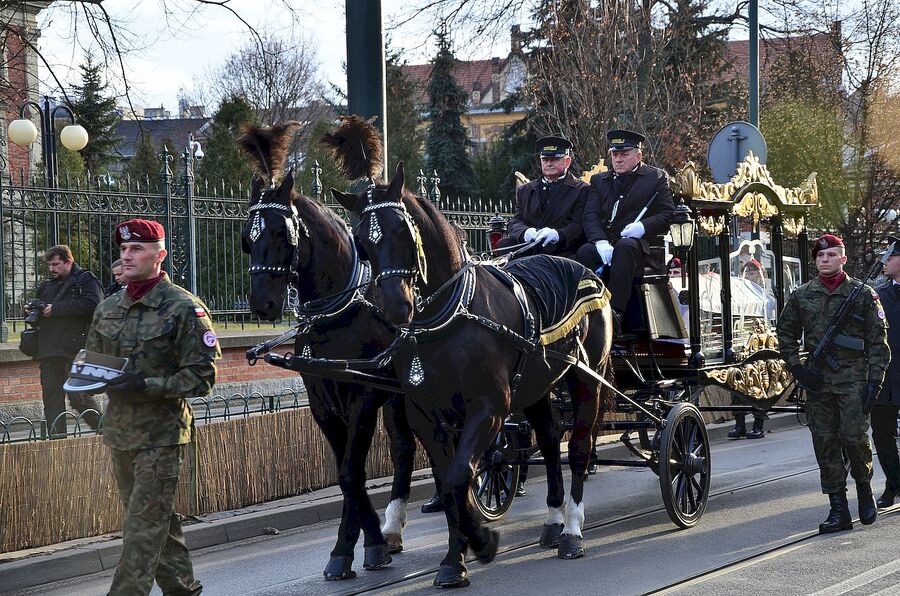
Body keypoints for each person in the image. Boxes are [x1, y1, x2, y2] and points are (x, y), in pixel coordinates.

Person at [82, 218, 221, 595]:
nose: (126, 255)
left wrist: (146, 385)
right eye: (123, 249)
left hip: (162, 435)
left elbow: (202, 378)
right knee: (154, 520)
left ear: (159, 256)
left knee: (141, 528)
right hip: (120, 433)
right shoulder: (108, 308)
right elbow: (94, 363)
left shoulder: (183, 308)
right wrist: (83, 380)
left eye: (136, 249)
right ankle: (183, 589)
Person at [776, 234, 889, 533]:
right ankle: (838, 508)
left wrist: (874, 381)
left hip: (853, 380)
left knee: (854, 438)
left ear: (843, 259)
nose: (825, 260)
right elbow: (785, 333)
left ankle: (864, 487)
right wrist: (797, 368)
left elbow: (878, 341)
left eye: (831, 255)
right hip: (818, 382)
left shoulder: (863, 295)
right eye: (820, 256)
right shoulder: (802, 295)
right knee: (824, 442)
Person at [575, 129, 674, 326]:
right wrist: (600, 241)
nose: (618, 159)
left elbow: (668, 213)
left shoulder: (655, 177)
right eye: (615, 154)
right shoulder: (599, 181)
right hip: (607, 242)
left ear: (638, 155)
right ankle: (589, 310)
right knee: (585, 252)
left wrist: (643, 226)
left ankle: (615, 313)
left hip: (639, 245)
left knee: (625, 247)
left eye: (624, 154)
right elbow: (590, 216)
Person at [25, 244, 104, 437]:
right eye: (49, 265)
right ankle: (56, 442)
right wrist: (31, 310)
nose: (52, 268)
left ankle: (106, 434)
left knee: (80, 398)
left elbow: (95, 305)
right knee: (52, 400)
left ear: (68, 261)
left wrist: (56, 309)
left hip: (74, 350)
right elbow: (40, 313)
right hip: (49, 350)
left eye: (56, 264)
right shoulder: (46, 286)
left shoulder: (85, 280)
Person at [495, 135, 589, 258]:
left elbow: (578, 225)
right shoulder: (526, 190)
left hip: (562, 251)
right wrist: (525, 232)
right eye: (545, 160)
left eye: (554, 159)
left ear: (567, 162)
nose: (549, 164)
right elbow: (516, 221)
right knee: (504, 244)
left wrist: (558, 235)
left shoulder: (581, 189)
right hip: (530, 249)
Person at [872, 237, 900, 508]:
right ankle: (894, 484)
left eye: (890, 258)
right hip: (887, 376)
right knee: (881, 434)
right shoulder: (878, 295)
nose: (885, 262)